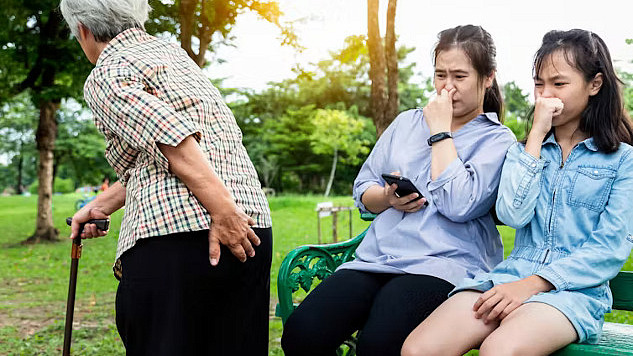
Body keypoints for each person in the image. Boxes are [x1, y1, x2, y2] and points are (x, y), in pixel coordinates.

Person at [281, 25, 516, 356]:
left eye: (459, 77)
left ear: (487, 77)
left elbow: (459, 205)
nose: (447, 87)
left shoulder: (496, 139)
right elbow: (364, 189)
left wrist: (439, 132)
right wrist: (388, 198)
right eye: (440, 75)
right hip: (378, 258)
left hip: (444, 265)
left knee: (380, 343)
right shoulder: (406, 123)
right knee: (302, 333)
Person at [402, 29, 633, 356]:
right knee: (419, 349)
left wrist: (534, 285)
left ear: (594, 84)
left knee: (500, 350)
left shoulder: (624, 161)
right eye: (539, 83)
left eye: (559, 83)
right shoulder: (523, 153)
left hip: (573, 292)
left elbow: (609, 248)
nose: (545, 94)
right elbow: (512, 214)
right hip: (508, 279)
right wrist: (536, 137)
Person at [59, 0, 273, 354]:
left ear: (83, 29)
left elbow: (174, 139)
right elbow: (159, 156)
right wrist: (100, 204)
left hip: (184, 238)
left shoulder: (107, 71)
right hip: (251, 227)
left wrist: (223, 212)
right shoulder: (173, 56)